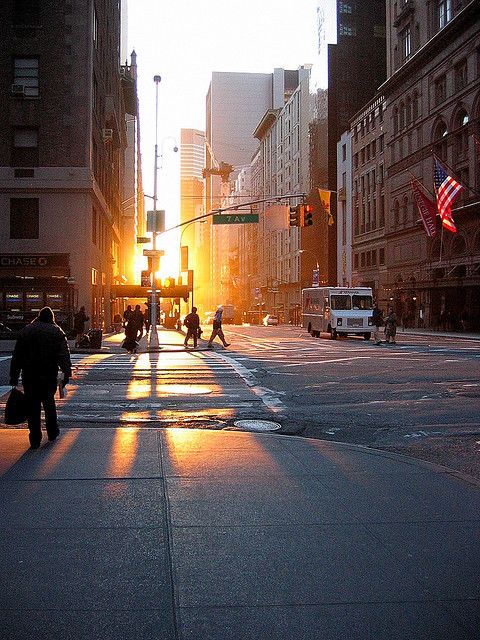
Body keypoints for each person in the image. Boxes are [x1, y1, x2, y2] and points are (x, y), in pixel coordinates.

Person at [9, 307, 72, 449]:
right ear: (51, 318)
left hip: (29, 374)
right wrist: (66, 374)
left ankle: (35, 438)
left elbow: (17, 356)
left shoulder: (27, 331)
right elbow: (64, 355)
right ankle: (52, 431)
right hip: (48, 373)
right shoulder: (56, 331)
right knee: (49, 403)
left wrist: (14, 376)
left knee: (33, 406)